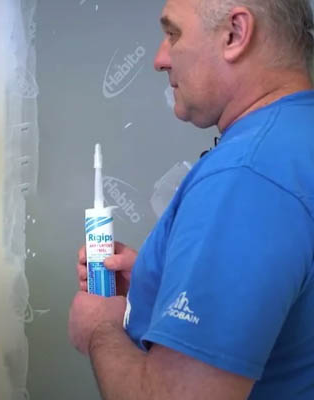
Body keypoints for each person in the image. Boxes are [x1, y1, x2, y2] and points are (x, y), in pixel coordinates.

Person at [69, 0, 314, 399]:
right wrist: (159, 283)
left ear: (235, 34)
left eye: (173, 34)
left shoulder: (244, 175)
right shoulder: (298, 137)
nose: (159, 59)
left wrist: (100, 328)